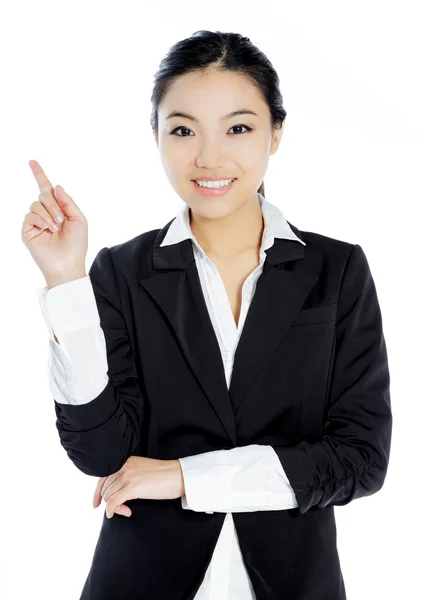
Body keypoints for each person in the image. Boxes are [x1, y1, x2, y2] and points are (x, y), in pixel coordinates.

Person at [22, 30, 392, 600]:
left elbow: (360, 460)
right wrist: (66, 280)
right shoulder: (120, 271)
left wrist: (183, 476)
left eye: (238, 128)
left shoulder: (336, 270)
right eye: (183, 130)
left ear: (276, 133)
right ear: (157, 137)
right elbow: (99, 453)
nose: (210, 157)